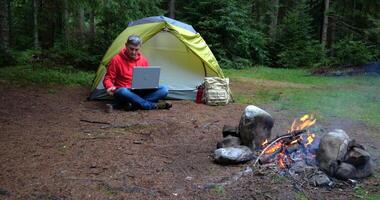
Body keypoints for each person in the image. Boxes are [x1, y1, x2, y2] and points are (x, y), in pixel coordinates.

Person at [103, 35, 172, 111]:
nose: (133, 52)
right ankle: (149, 105)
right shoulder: (116, 60)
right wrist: (109, 86)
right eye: (131, 49)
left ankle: (133, 104)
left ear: (140, 47)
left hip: (140, 91)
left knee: (164, 89)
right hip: (126, 92)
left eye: (136, 49)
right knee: (122, 91)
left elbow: (146, 79)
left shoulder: (143, 60)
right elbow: (108, 78)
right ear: (126, 45)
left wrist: (150, 84)